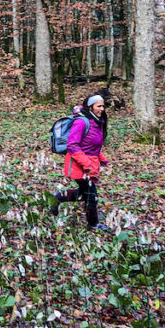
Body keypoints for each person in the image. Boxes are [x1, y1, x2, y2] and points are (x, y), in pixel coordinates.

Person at [50, 93, 109, 229]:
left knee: (84, 194)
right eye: (98, 106)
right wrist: (86, 163)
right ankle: (93, 224)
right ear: (90, 107)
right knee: (91, 195)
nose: (102, 109)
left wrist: (102, 159)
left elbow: (91, 145)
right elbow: (72, 145)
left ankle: (58, 197)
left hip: (90, 163)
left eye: (103, 106)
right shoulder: (81, 122)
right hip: (79, 164)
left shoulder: (95, 122)